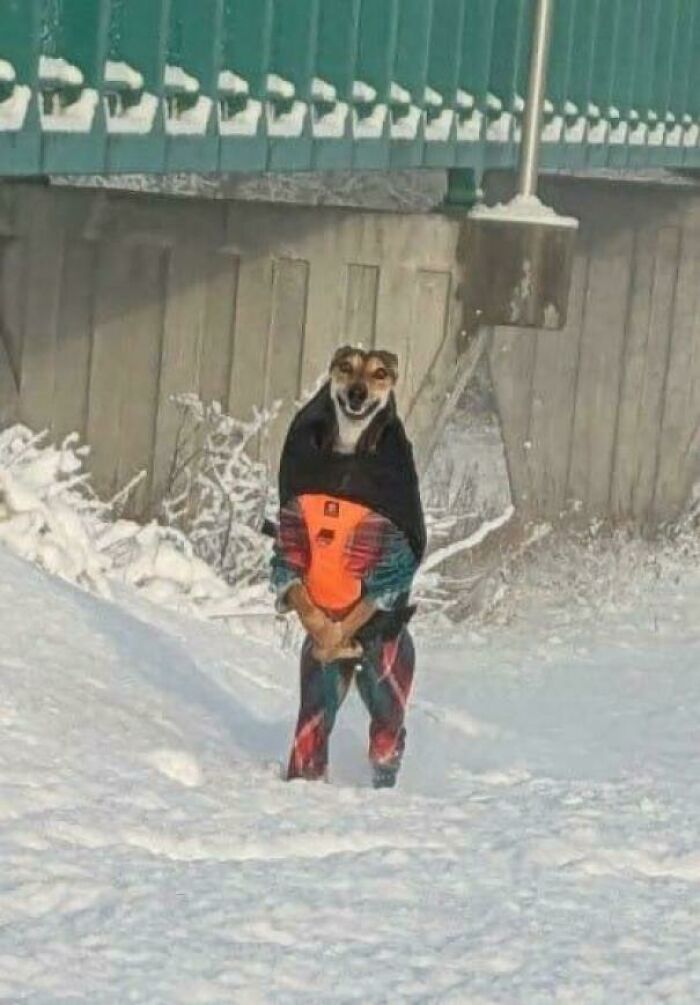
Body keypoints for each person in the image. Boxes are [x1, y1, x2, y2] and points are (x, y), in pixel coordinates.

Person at [271, 346, 425, 788]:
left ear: (390, 388)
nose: (360, 386)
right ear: (331, 378)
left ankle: (388, 818)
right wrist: (316, 621)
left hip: (378, 633)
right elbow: (287, 556)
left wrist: (341, 631)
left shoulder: (391, 478)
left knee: (385, 746)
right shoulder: (305, 465)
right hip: (322, 626)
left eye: (377, 377)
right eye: (348, 372)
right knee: (304, 755)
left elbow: (393, 577)